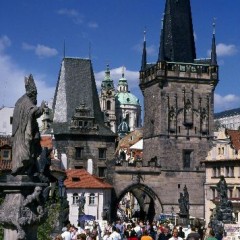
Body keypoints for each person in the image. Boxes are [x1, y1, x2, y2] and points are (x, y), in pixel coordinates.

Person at [11, 74, 46, 176]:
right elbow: (32, 112)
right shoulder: (26, 101)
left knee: (30, 152)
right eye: (35, 94)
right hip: (23, 134)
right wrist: (41, 108)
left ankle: (25, 169)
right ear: (32, 93)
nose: (36, 97)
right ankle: (22, 168)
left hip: (22, 133)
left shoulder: (20, 101)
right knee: (26, 152)